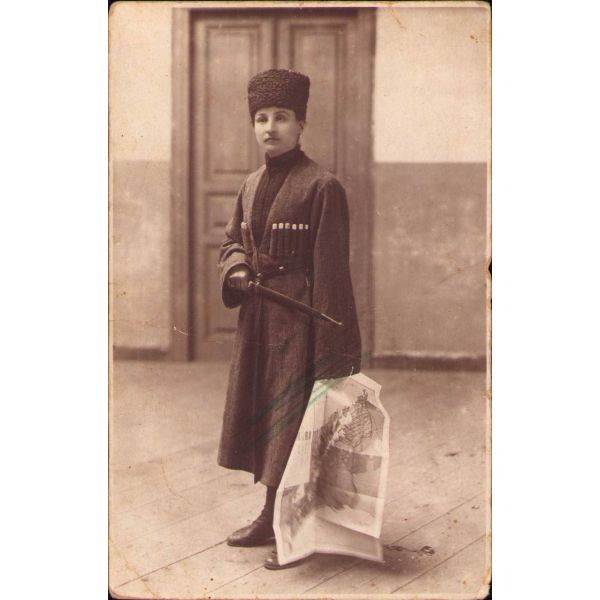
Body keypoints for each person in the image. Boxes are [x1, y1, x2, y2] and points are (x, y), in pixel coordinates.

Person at [217, 68, 362, 569]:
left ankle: (293, 527)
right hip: (258, 324)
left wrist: (333, 350)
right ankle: (269, 514)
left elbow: (332, 274)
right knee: (265, 420)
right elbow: (232, 241)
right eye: (261, 118)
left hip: (300, 329)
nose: (270, 127)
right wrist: (236, 267)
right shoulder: (251, 183)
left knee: (295, 425)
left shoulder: (323, 186)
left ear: (301, 124)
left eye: (281, 117)